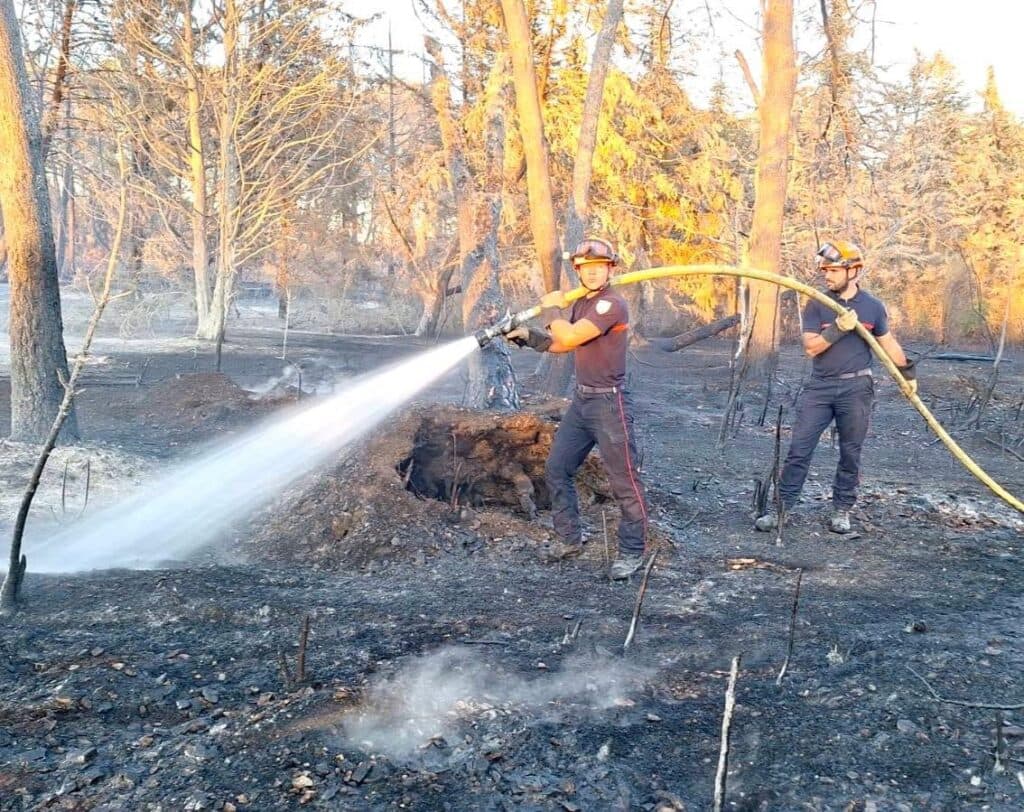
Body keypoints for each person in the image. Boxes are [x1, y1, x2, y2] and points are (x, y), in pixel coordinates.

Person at [506, 238, 648, 580]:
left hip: (609, 404)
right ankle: (570, 538)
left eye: (600, 266)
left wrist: (552, 308)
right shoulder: (583, 303)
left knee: (624, 481)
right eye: (586, 268)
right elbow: (560, 343)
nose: (593, 272)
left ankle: (632, 552)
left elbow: (568, 336)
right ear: (579, 271)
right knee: (557, 467)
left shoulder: (611, 305)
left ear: (611, 268)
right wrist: (529, 336)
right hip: (583, 402)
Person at [754, 239, 917, 534]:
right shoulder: (816, 303)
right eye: (825, 270)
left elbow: (888, 342)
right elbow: (811, 348)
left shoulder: (872, 307)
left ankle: (842, 510)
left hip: (857, 388)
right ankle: (782, 509)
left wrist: (907, 374)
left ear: (854, 270)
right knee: (799, 449)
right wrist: (839, 329)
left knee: (850, 452)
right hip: (820, 388)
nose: (827, 276)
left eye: (833, 270)